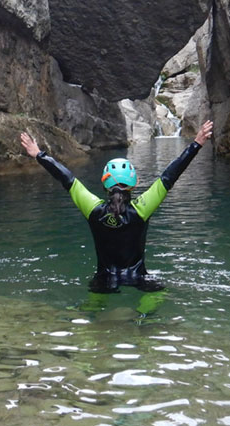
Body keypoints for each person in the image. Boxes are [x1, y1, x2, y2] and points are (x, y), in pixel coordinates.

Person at [20, 120, 214, 295]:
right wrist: (196, 144)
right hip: (139, 278)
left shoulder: (93, 209)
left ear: (105, 184)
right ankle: (144, 324)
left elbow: (67, 179)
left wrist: (39, 154)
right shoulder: (142, 208)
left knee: (93, 315)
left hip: (104, 279)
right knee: (156, 299)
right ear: (134, 183)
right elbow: (169, 176)